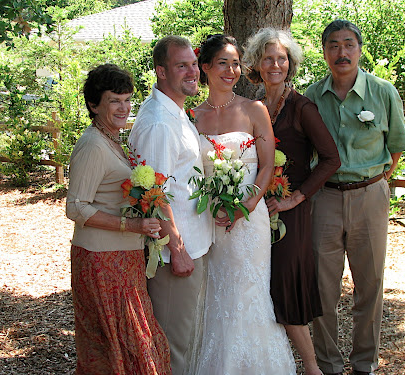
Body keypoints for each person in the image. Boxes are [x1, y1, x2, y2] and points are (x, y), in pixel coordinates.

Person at [304, 20, 405, 375]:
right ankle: (329, 364)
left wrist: (375, 182)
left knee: (370, 284)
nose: (341, 52)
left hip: (370, 196)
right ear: (324, 53)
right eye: (333, 45)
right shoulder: (311, 97)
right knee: (322, 286)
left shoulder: (383, 92)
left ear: (359, 49)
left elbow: (395, 148)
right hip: (325, 200)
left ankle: (364, 363)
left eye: (348, 44)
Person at [191, 34, 296, 375]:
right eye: (223, 62)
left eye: (235, 63)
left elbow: (266, 166)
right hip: (210, 219)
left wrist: (244, 206)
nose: (231, 70)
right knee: (215, 294)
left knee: (249, 291)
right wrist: (215, 205)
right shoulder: (193, 116)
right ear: (205, 67)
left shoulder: (254, 109)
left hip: (250, 219)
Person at [244, 28, 341, 375]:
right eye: (268, 58)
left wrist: (296, 198)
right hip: (255, 210)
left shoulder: (302, 107)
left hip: (290, 212)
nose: (275, 64)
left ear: (291, 64)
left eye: (282, 58)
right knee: (260, 284)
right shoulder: (253, 105)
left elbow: (331, 158)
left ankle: (313, 368)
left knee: (284, 285)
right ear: (257, 62)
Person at [65, 64, 170, 375]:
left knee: (131, 341)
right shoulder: (93, 145)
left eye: (127, 100)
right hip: (102, 260)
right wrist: (132, 225)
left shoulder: (112, 139)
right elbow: (76, 207)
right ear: (94, 105)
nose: (124, 108)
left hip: (124, 258)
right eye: (114, 101)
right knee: (121, 343)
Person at [128, 36, 213, 375]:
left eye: (194, 63)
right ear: (161, 71)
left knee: (186, 338)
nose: (192, 71)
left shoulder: (174, 111)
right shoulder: (159, 124)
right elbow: (153, 194)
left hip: (191, 241)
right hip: (173, 251)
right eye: (182, 66)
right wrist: (176, 249)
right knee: (172, 346)